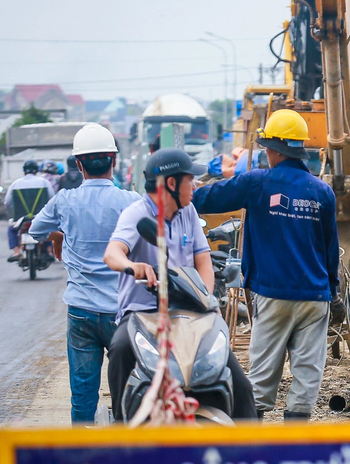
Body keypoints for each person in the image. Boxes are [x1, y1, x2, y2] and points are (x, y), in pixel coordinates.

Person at [193, 109, 341, 422]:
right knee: (306, 375)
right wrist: (334, 293)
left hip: (274, 295)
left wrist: (180, 191)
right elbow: (330, 249)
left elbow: (210, 199)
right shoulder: (322, 192)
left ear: (272, 150)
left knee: (260, 378)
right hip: (316, 297)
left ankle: (256, 446)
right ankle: (293, 446)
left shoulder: (257, 183)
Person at [103, 148, 257, 421]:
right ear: (171, 184)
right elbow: (112, 253)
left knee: (241, 384)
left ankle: (249, 451)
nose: (196, 186)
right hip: (143, 314)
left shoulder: (188, 212)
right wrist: (132, 265)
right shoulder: (136, 214)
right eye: (190, 180)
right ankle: (121, 425)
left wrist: (207, 300)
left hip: (192, 313)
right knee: (120, 348)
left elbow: (203, 262)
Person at [29, 124, 140, 423]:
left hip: (81, 312)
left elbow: (36, 230)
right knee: (127, 391)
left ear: (79, 164)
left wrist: (59, 237)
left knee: (82, 395)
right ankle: (126, 453)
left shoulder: (64, 201)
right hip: (122, 312)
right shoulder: (131, 202)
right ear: (114, 161)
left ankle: (83, 454)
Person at [5, 160, 55, 262]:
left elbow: (7, 203)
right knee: (49, 228)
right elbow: (53, 200)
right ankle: (49, 251)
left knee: (11, 230)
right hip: (40, 217)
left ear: (24, 171)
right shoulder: (44, 182)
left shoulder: (15, 183)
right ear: (36, 170)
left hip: (20, 219)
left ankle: (17, 251)